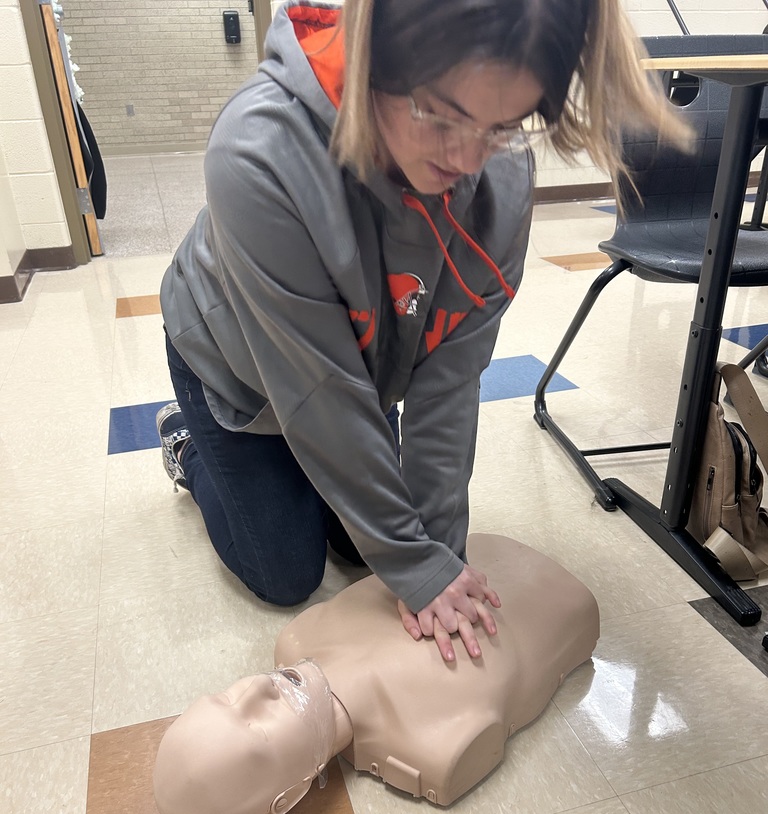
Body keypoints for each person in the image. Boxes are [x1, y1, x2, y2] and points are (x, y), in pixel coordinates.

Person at [157, 0, 686, 663]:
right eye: (441, 114)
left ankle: (316, 481)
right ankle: (188, 445)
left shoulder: (499, 177)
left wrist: (437, 561)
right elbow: (319, 389)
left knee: (366, 545)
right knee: (284, 574)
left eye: (503, 125)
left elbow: (448, 387)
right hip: (235, 361)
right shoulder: (258, 150)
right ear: (376, 57)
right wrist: (413, 564)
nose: (468, 158)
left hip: (360, 363)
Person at [153, 533, 600, 814]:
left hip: (486, 557)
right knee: (283, 566)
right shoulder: (433, 748)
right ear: (287, 798)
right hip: (564, 601)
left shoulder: (300, 637)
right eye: (255, 727)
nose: (254, 687)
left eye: (226, 696)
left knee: (352, 535)